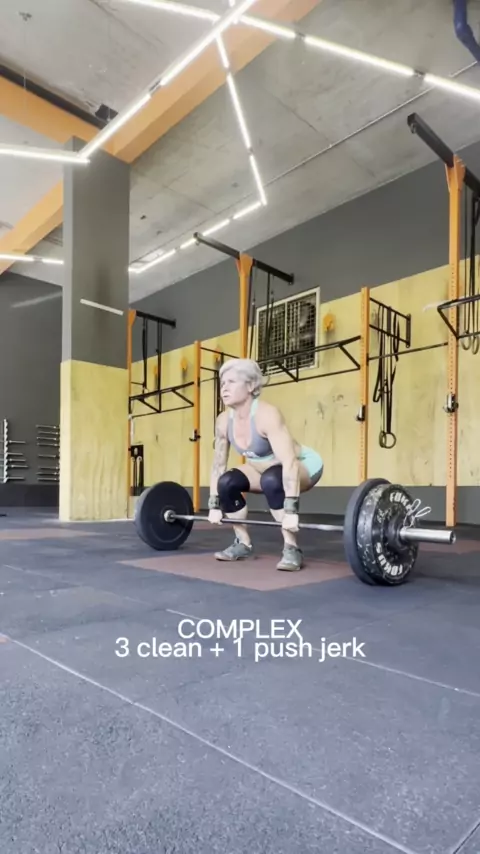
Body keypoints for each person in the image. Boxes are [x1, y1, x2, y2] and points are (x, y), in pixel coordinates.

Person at [208, 358, 323, 571]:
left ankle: (291, 548)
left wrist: (291, 510)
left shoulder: (266, 415)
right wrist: (214, 503)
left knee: (272, 480)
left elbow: (289, 462)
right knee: (226, 482)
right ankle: (243, 543)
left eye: (231, 382)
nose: (224, 388)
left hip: (302, 465)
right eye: (222, 383)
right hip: (261, 468)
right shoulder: (223, 421)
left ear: (251, 385)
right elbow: (218, 466)